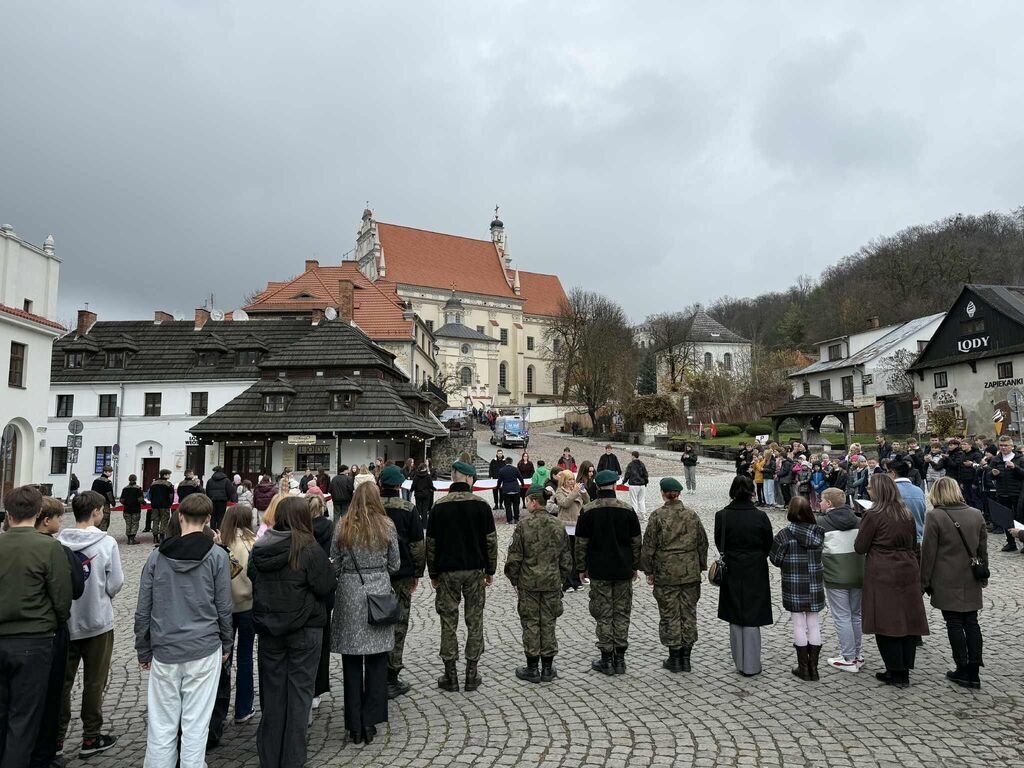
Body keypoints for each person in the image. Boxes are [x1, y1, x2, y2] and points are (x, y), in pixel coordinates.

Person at [134, 493, 232, 768]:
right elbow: (224, 606)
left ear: (179, 516)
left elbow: (143, 608)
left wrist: (144, 647)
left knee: (162, 724)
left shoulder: (157, 557)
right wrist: (226, 643)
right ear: (209, 520)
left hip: (166, 648)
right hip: (203, 647)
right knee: (196, 723)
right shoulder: (216, 556)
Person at [250, 496, 335, 766]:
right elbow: (325, 585)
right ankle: (292, 759)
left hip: (271, 630)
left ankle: (270, 756)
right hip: (305, 629)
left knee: (273, 694)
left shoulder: (260, 548)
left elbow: (254, 579)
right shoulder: (309, 548)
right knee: (299, 695)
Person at [0, 486, 72, 768]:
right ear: (39, 514)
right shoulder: (49, 547)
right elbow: (61, 599)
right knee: (25, 716)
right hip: (33, 640)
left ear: (8, 513)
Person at [330, 482, 401, 745]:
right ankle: (370, 720)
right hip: (378, 593)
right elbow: (395, 563)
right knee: (376, 659)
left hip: (350, 591)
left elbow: (334, 560)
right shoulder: (386, 525)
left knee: (351, 661)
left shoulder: (343, 524)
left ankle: (354, 724)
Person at [57, 490, 124, 758]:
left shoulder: (58, 542)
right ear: (96, 511)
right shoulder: (106, 544)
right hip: (97, 621)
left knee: (62, 683)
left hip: (67, 622)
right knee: (95, 683)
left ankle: (57, 739)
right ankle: (90, 737)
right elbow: (115, 583)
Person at [426, 461, 498, 693]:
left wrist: (433, 573)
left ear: (453, 478)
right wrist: (491, 570)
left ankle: (450, 674)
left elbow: (431, 545)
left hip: (447, 572)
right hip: (475, 571)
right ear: (468, 479)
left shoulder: (439, 507)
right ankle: (471, 672)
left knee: (448, 622)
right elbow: (491, 542)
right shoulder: (481, 506)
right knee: (474, 620)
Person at [854, 473, 930, 688]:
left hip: (883, 569)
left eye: (870, 488)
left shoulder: (874, 514)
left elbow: (860, 546)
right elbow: (915, 542)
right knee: (906, 619)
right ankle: (903, 668)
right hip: (907, 566)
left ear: (877, 490)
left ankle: (895, 670)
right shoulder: (905, 512)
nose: (868, 490)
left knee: (886, 620)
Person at [920, 477, 987, 688]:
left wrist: (924, 581)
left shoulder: (935, 516)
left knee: (955, 623)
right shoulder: (976, 514)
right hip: (970, 576)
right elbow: (982, 550)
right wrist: (983, 574)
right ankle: (974, 669)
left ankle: (962, 667)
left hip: (946, 577)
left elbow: (928, 553)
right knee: (972, 622)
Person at [575, 469, 642, 676]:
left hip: (599, 570)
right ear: (614, 486)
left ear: (598, 487)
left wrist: (581, 568)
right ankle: (620, 659)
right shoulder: (627, 510)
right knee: (621, 614)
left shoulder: (587, 511)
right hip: (622, 569)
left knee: (603, 614)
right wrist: (635, 566)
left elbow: (580, 545)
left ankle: (606, 659)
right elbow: (636, 543)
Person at [504, 484, 572, 683]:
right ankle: (548, 668)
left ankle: (532, 667)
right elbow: (566, 559)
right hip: (551, 583)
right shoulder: (558, 525)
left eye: (527, 501)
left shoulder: (523, 525)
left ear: (533, 502)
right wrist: (561, 578)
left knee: (531, 623)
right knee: (548, 623)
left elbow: (514, 558)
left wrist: (514, 580)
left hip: (529, 584)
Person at [640, 477, 708, 673]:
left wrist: (648, 570)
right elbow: (702, 543)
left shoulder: (657, 516)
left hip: (666, 572)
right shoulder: (691, 515)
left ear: (663, 493)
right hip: (689, 572)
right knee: (688, 613)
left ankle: (675, 656)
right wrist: (700, 566)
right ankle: (686, 657)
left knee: (669, 613)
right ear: (679, 494)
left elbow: (649, 546)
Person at [714, 476, 773, 677]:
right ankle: (751, 664)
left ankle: (740, 661)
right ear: (751, 492)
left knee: (735, 614)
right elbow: (768, 543)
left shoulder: (722, 515)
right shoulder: (760, 517)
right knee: (752, 615)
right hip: (755, 567)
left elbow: (718, 541)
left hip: (732, 566)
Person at [377, 466, 426, 700]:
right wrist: (417, 572)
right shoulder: (408, 509)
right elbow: (417, 545)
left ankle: (375, 670)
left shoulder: (370, 509)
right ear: (399, 487)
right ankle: (391, 675)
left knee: (374, 622)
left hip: (374, 575)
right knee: (399, 624)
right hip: (402, 575)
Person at [770, 497, 826, 681]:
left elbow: (775, 559)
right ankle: (814, 669)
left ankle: (804, 668)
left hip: (794, 583)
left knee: (799, 624)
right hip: (814, 583)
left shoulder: (785, 535)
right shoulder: (819, 533)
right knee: (814, 623)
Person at [816, 488, 864, 673]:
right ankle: (857, 654)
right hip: (858, 572)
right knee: (856, 615)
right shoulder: (859, 520)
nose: (819, 503)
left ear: (828, 503)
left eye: (821, 500)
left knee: (842, 616)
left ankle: (848, 657)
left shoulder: (821, 523)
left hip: (835, 574)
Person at [219, 505, 257, 725]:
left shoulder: (220, 543)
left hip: (224, 608)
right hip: (247, 605)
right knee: (244, 657)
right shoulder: (251, 543)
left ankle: (220, 711)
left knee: (223, 658)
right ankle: (243, 707)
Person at [555, 470, 590, 592]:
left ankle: (576, 580)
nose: (571, 482)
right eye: (569, 479)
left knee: (577, 554)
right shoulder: (559, 491)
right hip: (566, 525)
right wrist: (575, 492)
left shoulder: (576, 490)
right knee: (567, 555)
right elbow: (564, 503)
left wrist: (583, 492)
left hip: (577, 525)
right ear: (564, 480)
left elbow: (587, 502)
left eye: (572, 479)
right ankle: (567, 582)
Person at [989, 435, 1024, 551]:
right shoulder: (996, 459)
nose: (1003, 448)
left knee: (1020, 518)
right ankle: (1011, 542)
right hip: (1002, 493)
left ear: (1012, 447)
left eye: (1006, 445)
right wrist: (993, 474)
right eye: (1001, 445)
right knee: (1006, 519)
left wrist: (1015, 467)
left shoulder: (1020, 458)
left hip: (1018, 493)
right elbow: (989, 475)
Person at [205, 466, 237, 530]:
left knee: (213, 517)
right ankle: (220, 530)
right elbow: (230, 491)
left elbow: (207, 491)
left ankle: (212, 531)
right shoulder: (226, 480)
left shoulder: (210, 481)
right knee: (221, 516)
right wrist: (227, 498)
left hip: (212, 500)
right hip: (222, 501)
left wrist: (210, 498)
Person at [149, 469, 176, 545]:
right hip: (165, 505)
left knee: (155, 520)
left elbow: (150, 494)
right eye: (168, 474)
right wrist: (170, 503)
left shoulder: (153, 484)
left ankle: (155, 536)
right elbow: (171, 496)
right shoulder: (168, 484)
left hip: (154, 505)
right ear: (164, 475)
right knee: (164, 520)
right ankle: (162, 536)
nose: (169, 476)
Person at [119, 473, 146, 545]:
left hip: (127, 509)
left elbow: (121, 500)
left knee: (128, 523)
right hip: (135, 509)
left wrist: (126, 503)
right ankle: (132, 538)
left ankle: (128, 538)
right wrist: (144, 503)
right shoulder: (138, 488)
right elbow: (140, 499)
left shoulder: (125, 489)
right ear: (135, 479)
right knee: (135, 523)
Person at [498, 457, 525, 524]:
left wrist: (498, 487)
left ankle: (509, 520)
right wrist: (522, 484)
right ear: (512, 462)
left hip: (506, 490)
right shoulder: (515, 469)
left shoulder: (501, 470)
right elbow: (520, 478)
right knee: (516, 504)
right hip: (515, 489)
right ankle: (516, 519)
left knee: (507, 506)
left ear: (505, 462)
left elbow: (499, 481)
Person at [623, 450, 649, 518]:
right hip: (642, 485)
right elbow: (645, 474)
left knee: (634, 501)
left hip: (633, 484)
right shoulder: (642, 464)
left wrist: (623, 482)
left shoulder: (631, 464)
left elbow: (627, 474)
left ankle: (634, 515)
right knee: (641, 500)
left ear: (633, 456)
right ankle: (643, 514)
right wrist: (645, 482)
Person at [90, 465, 116, 532]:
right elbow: (109, 494)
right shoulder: (107, 482)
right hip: (104, 504)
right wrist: (113, 503)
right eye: (109, 472)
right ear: (105, 472)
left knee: (96, 521)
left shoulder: (96, 481)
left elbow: (92, 492)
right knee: (104, 521)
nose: (111, 473)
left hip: (95, 504)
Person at [411, 462, 436, 528]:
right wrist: (434, 489)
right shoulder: (428, 476)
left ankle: (418, 524)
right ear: (425, 468)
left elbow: (414, 485)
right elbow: (431, 485)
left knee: (419, 509)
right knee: (425, 509)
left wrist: (411, 490)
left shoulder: (416, 476)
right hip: (426, 495)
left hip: (418, 494)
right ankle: (424, 525)